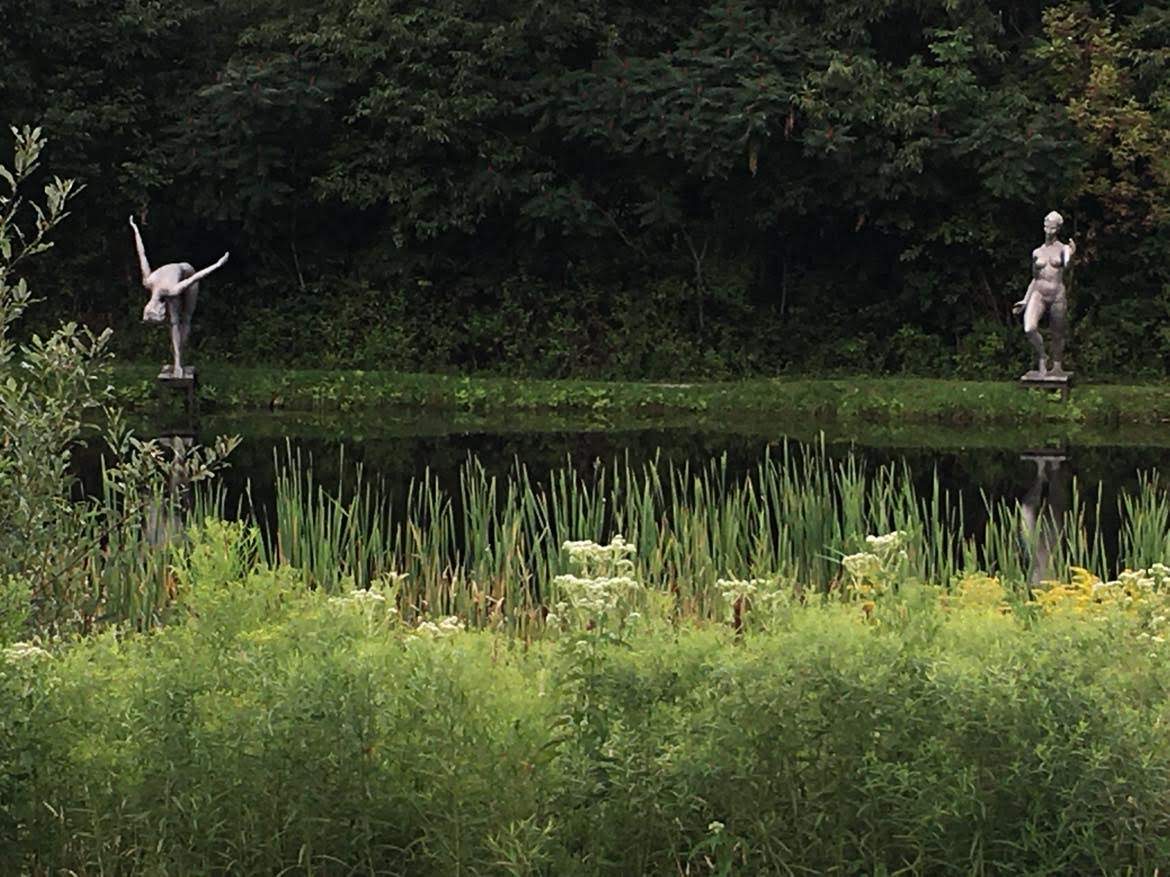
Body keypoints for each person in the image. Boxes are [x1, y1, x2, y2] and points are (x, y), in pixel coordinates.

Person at [1013, 211, 1075, 376]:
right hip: (1038, 293)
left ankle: (1057, 364)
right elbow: (1035, 279)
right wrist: (1025, 300)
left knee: (1057, 333)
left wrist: (1071, 256)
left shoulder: (1064, 248)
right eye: (1046, 226)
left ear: (1058, 229)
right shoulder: (1037, 252)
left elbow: (1067, 267)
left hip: (1057, 294)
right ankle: (1042, 355)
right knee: (1029, 328)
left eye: (1052, 228)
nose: (1049, 231)